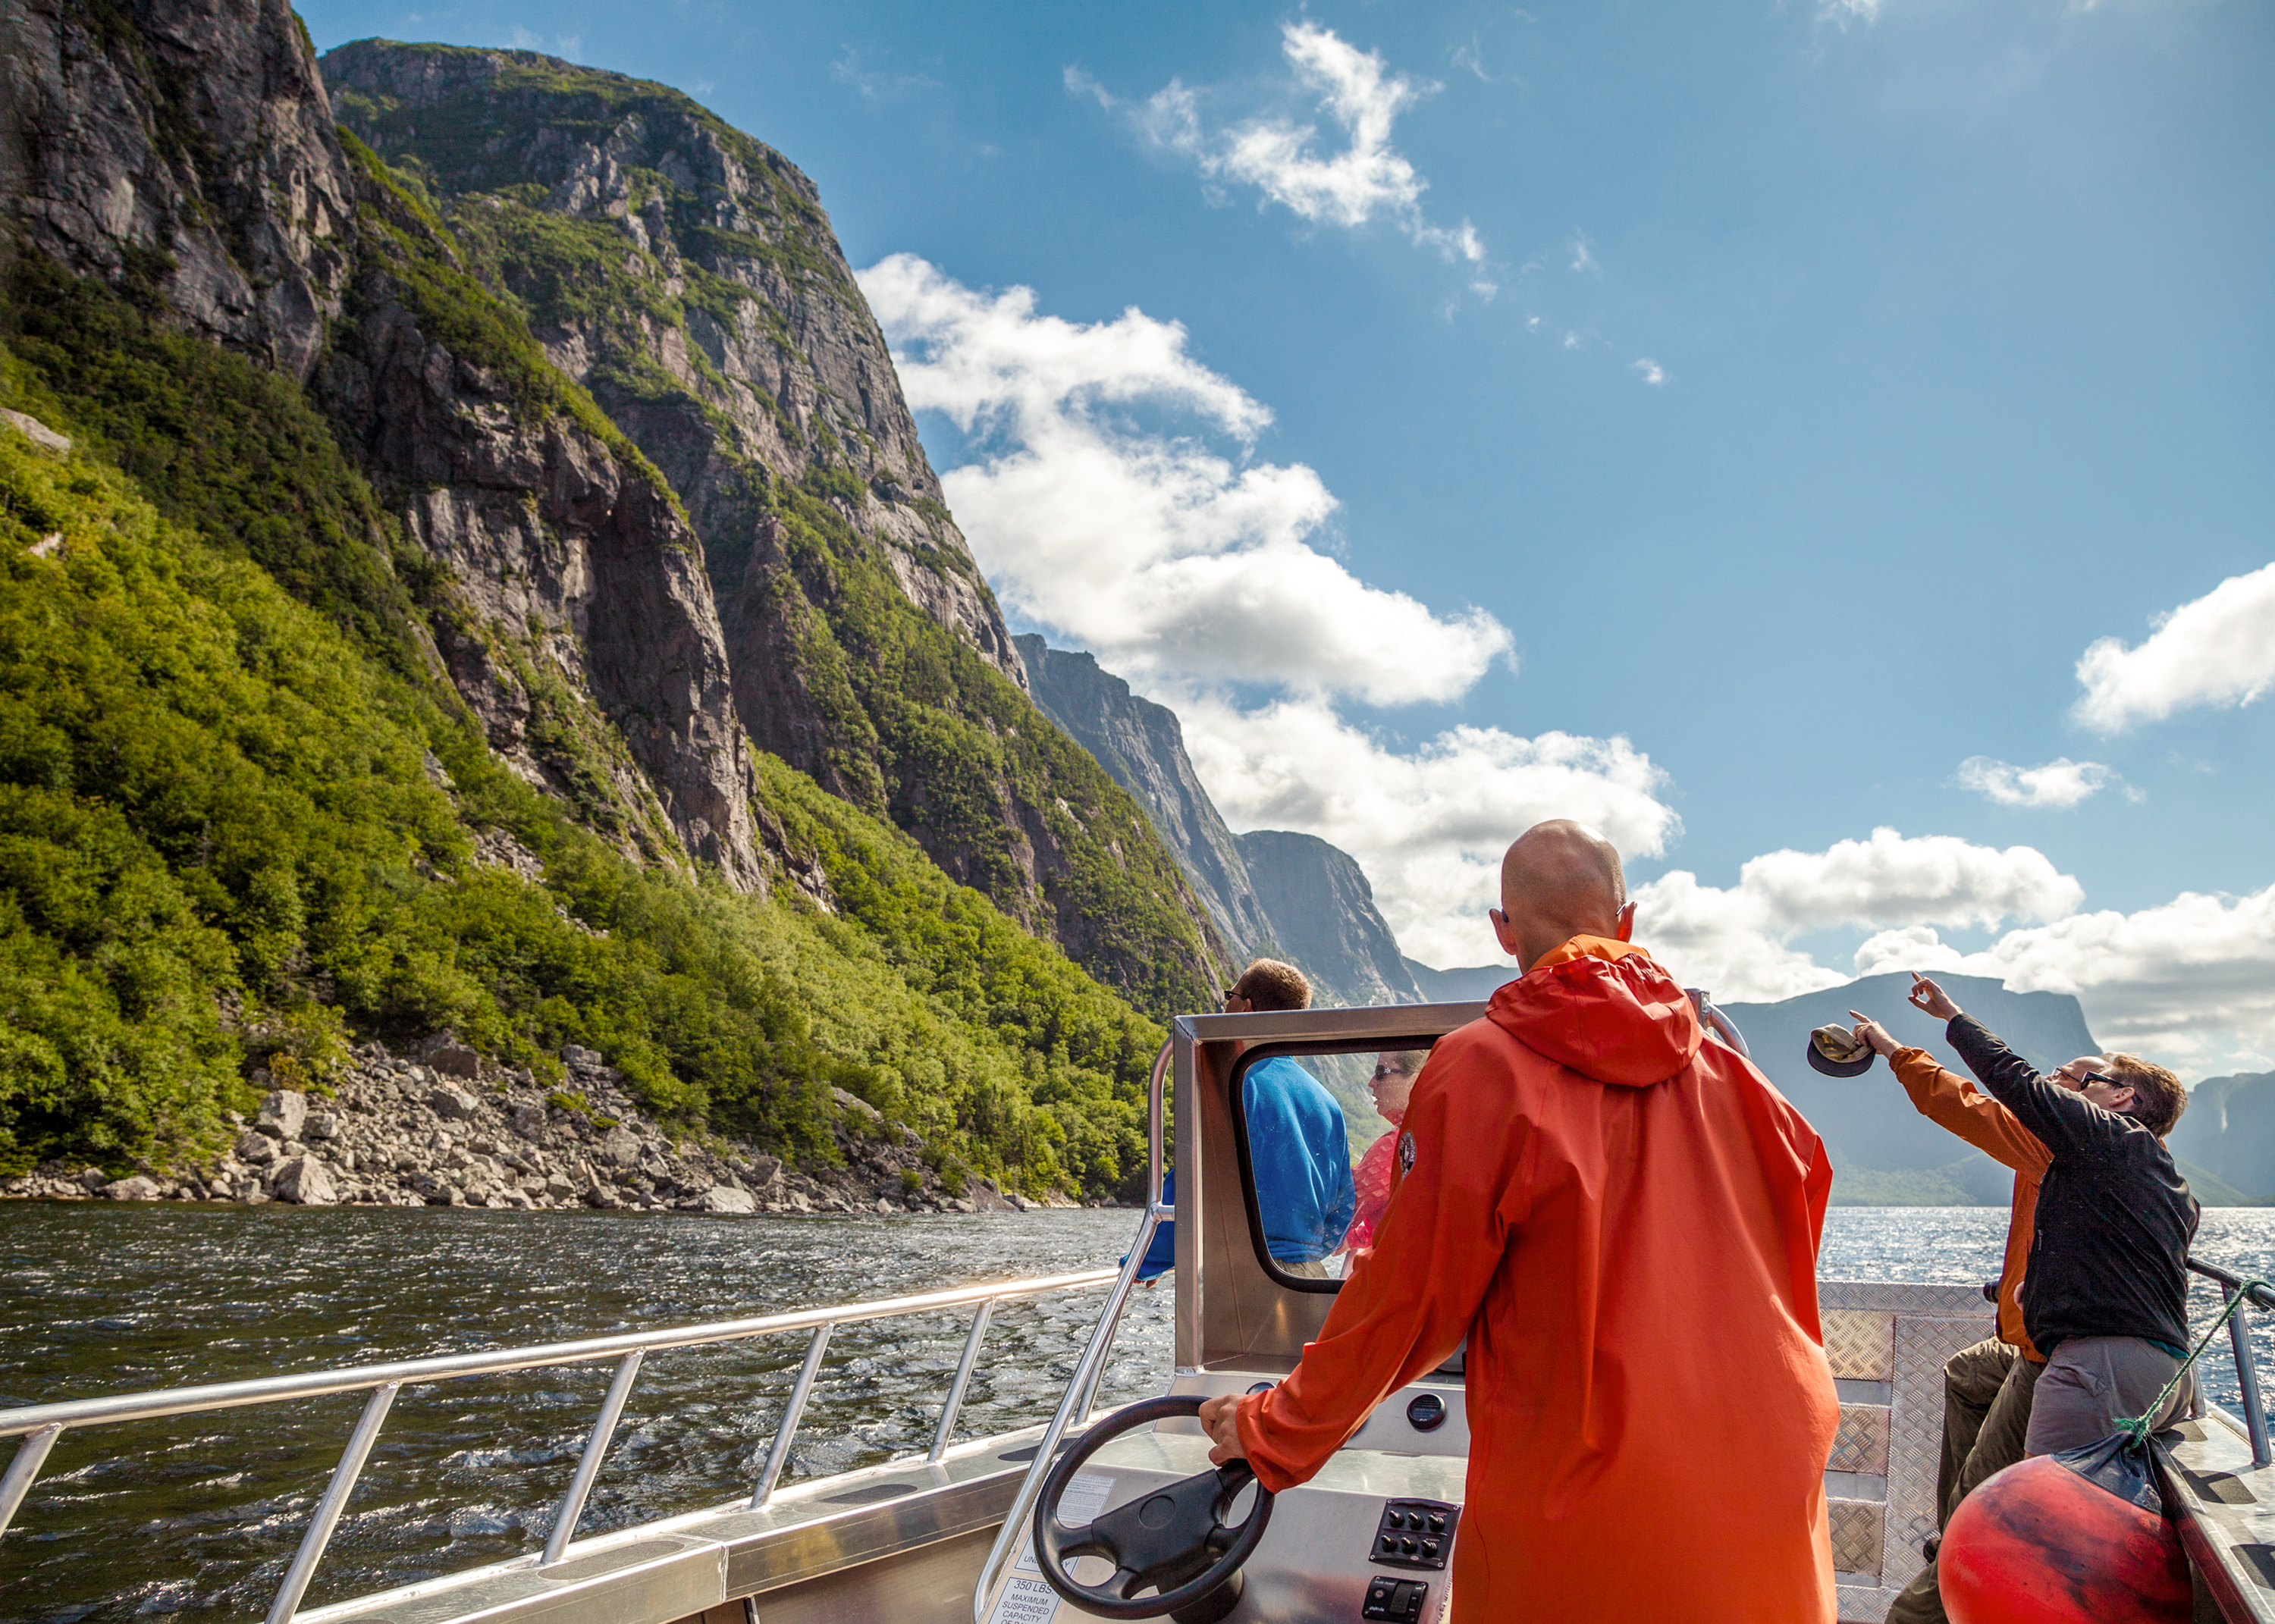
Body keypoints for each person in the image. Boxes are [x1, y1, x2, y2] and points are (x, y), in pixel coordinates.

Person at [1199, 820, 1839, 1624]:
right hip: (1775, 1477)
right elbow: (1791, 1257)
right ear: (1627, 920)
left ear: (1503, 931)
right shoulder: (1754, 1091)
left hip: (1588, 1497)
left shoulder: (1479, 1068)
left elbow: (1410, 1302)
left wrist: (1275, 1430)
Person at [1855, 975, 2195, 1468]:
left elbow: (1973, 1096)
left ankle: (1957, 1532)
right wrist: (2042, 1283)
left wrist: (1931, 1026)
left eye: (2074, 1078)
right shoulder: (2160, 1177)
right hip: (2146, 1359)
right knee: (1968, 1374)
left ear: (2119, 1099)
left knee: (2009, 1498)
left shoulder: (2079, 1141)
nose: (2051, 1079)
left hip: (2073, 1355)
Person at [1133, 960, 1354, 1281]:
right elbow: (1342, 1206)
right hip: (1310, 1279)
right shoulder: (1327, 1102)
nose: (1224, 1006)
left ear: (1246, 1009)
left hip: (1248, 1275)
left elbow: (1195, 1181)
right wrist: (1304, 1253)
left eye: (1229, 996)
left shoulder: (1237, 1084)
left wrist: (1145, 1263)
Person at [1342, 1051, 1426, 1255]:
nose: (1372, 1082)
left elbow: (1336, 1218)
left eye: (1382, 1072)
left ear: (1414, 1080)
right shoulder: (1432, 1132)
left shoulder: (1395, 1146)